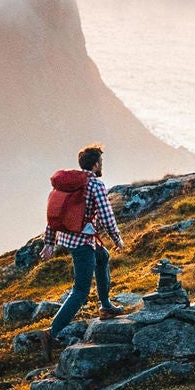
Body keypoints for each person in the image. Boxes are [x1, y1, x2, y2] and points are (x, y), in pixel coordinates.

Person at [42, 143, 124, 356]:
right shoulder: (95, 185)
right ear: (96, 165)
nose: (101, 165)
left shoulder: (68, 184)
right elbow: (106, 216)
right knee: (80, 291)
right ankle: (51, 332)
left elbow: (54, 215)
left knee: (102, 256)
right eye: (101, 162)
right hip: (82, 242)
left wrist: (49, 243)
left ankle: (105, 306)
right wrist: (117, 239)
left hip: (68, 237)